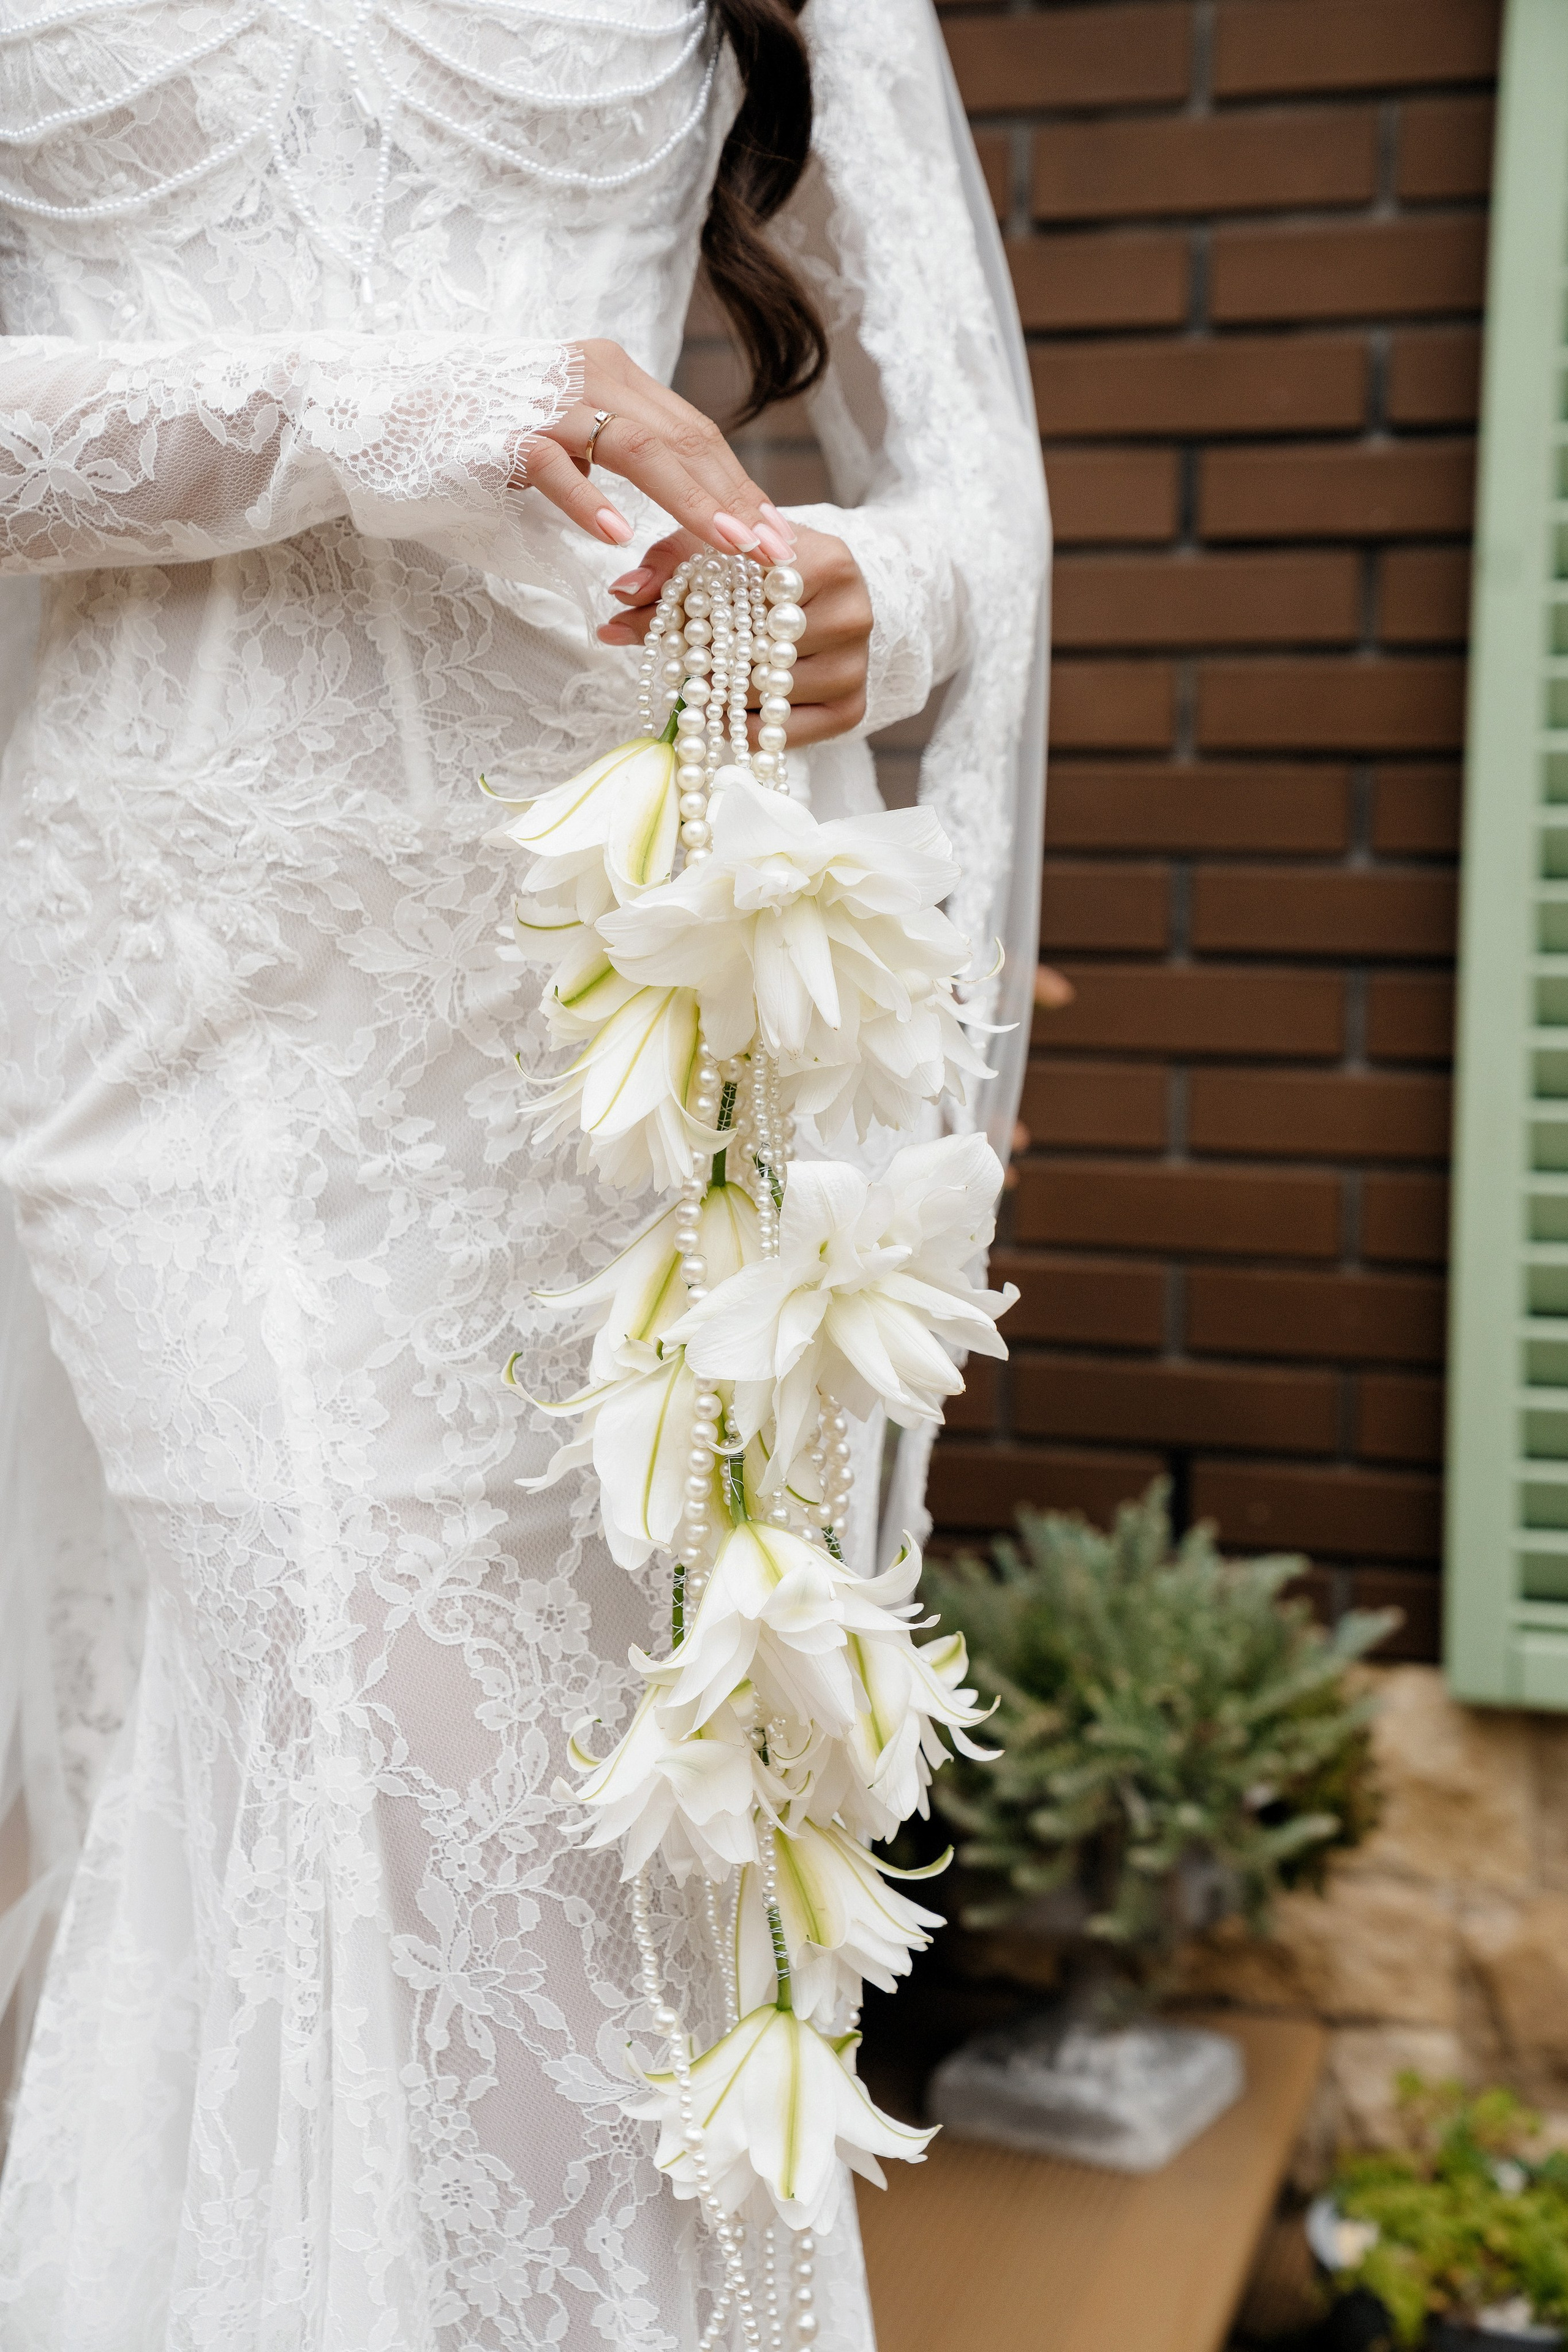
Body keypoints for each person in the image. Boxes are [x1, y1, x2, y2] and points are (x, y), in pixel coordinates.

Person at [0, 2, 1048, 2343]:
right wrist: (379, 410)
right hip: (178, 968)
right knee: (335, 1730)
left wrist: (902, 592)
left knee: (627, 1805)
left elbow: (967, 478)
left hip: (626, 951)